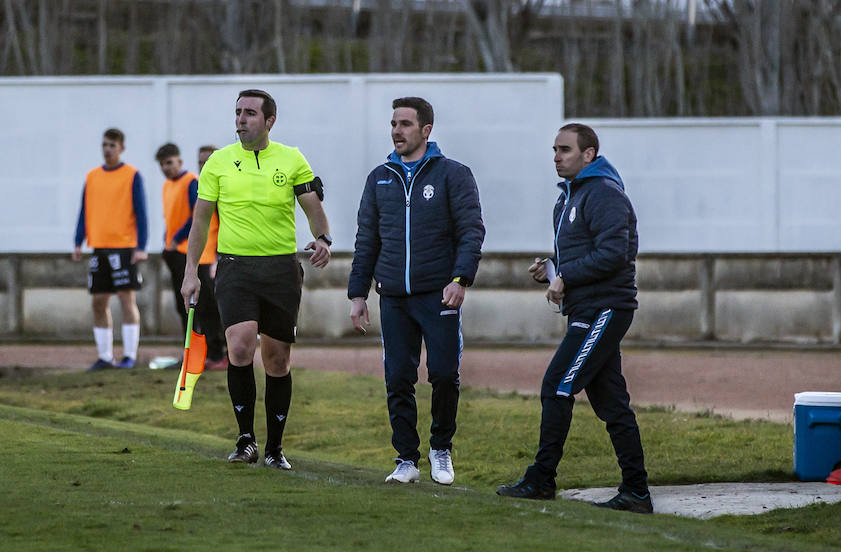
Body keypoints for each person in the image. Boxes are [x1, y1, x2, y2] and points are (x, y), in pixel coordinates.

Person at [496, 123, 652, 514]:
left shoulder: (604, 194)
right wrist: (551, 270)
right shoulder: (567, 199)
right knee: (612, 402)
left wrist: (567, 276)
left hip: (606, 308)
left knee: (557, 385)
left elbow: (615, 253)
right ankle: (636, 491)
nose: (556, 157)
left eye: (565, 150)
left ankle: (541, 480)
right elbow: (581, 256)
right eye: (554, 149)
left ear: (589, 154)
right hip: (585, 308)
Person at [181, 89, 333, 471]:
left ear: (269, 121)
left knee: (277, 359)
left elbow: (313, 206)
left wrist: (323, 238)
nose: (241, 119)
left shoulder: (292, 158)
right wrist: (191, 273)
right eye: (237, 112)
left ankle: (275, 448)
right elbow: (200, 221)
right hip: (235, 269)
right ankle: (245, 438)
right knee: (240, 346)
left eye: (249, 113)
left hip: (281, 270)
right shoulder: (217, 162)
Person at [348, 97, 485, 485]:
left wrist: (460, 279)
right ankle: (406, 459)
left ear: (426, 130)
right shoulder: (379, 178)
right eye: (393, 123)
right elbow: (367, 240)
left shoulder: (453, 174)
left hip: (438, 295)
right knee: (397, 378)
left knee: (443, 374)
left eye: (405, 124)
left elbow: (471, 231)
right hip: (393, 297)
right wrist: (357, 294)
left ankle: (440, 449)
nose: (397, 131)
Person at [73, 128, 148, 371]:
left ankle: (129, 356)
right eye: (104, 145)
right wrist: (78, 240)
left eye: (112, 145)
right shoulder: (92, 176)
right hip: (99, 247)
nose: (107, 149)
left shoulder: (132, 175)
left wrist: (141, 246)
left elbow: (141, 212)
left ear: (121, 148)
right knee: (98, 302)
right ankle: (105, 356)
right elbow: (84, 210)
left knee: (127, 299)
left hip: (124, 247)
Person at [157, 143, 227, 370]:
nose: (204, 165)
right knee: (186, 308)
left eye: (208, 161)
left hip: (204, 257)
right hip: (182, 256)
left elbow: (199, 220)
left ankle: (217, 354)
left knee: (208, 308)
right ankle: (194, 354)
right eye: (201, 162)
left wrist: (217, 257)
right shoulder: (175, 185)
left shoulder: (199, 185)